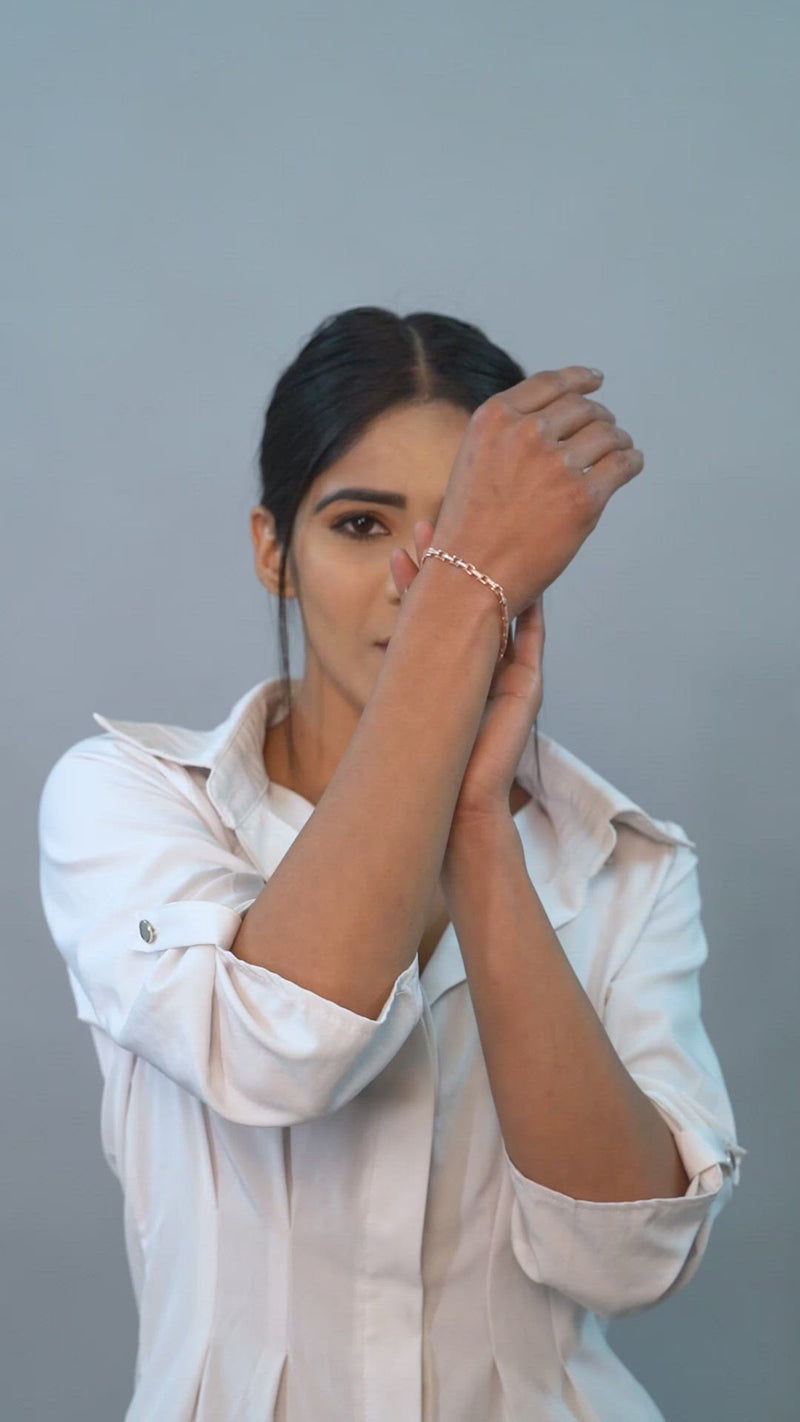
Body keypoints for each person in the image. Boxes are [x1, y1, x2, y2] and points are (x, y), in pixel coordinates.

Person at [38, 306, 746, 1422]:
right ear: (273, 550)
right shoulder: (129, 801)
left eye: (467, 528)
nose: (420, 578)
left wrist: (479, 829)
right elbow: (278, 1047)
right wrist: (462, 610)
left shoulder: (623, 865)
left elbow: (625, 1259)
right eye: (362, 524)